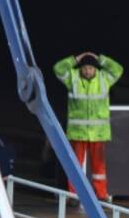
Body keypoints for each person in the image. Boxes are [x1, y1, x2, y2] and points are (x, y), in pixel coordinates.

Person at [53, 51, 123, 201]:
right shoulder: (72, 78)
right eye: (84, 68)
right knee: (75, 166)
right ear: (80, 68)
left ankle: (101, 195)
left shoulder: (104, 78)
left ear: (95, 68)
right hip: (78, 133)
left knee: (99, 168)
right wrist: (75, 58)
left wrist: (101, 59)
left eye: (90, 68)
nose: (87, 71)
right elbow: (58, 68)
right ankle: (73, 195)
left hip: (98, 133)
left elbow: (118, 69)